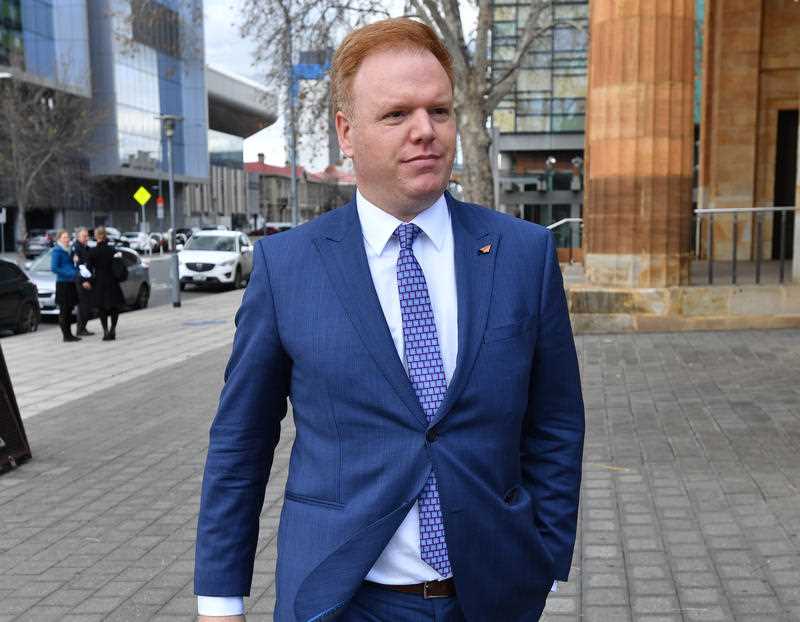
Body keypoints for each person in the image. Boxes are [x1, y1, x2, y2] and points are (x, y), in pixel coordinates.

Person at [195, 18, 584, 622]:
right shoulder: (288, 266)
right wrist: (220, 598)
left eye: (440, 110)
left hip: (493, 595)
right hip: (341, 599)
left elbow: (556, 420)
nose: (425, 131)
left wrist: (547, 557)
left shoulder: (523, 255)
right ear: (347, 134)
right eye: (397, 114)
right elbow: (242, 442)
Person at [87, 226, 125, 341]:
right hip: (112, 281)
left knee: (102, 308)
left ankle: (105, 331)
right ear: (105, 236)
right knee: (114, 307)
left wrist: (88, 280)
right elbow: (119, 265)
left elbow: (88, 268)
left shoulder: (92, 251)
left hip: (99, 282)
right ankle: (113, 329)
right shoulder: (112, 250)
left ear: (96, 236)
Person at [50, 230, 82, 343]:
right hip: (63, 283)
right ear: (59, 239)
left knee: (69, 310)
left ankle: (70, 334)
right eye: (64, 237)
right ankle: (66, 336)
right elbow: (54, 268)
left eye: (67, 237)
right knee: (64, 311)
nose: (67, 239)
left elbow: (69, 265)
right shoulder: (57, 251)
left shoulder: (68, 250)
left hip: (70, 283)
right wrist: (71, 273)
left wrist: (75, 263)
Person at [71, 227, 94, 336]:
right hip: (81, 282)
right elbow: (78, 266)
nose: (86, 238)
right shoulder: (76, 248)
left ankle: (83, 327)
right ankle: (80, 329)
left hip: (88, 280)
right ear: (78, 237)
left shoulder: (87, 248)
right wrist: (83, 281)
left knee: (88, 305)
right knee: (83, 306)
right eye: (84, 236)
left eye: (87, 236)